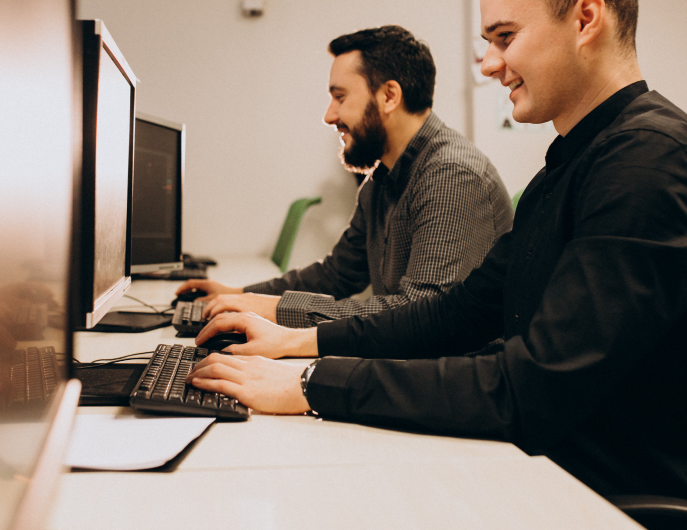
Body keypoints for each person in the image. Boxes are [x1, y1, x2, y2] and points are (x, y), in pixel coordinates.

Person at [187, 0, 687, 528]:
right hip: (560, 464)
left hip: (626, 499)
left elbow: (531, 389)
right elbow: (458, 313)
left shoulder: (647, 161)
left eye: (504, 38)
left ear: (586, 19)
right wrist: (300, 344)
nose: (488, 65)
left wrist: (311, 383)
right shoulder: (576, 159)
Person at [178, 25, 512, 328]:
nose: (329, 115)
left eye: (340, 97)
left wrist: (274, 309)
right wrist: (239, 295)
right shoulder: (381, 180)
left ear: (389, 96)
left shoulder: (451, 177)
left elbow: (421, 312)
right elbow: (337, 274)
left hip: (447, 384)